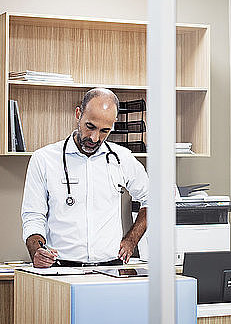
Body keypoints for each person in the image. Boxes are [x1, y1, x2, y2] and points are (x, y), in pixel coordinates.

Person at [21, 88, 148, 268]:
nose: (95, 138)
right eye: (90, 127)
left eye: (105, 130)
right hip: (60, 268)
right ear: (78, 114)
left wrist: (131, 240)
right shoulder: (44, 159)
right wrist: (37, 250)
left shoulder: (122, 158)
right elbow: (33, 215)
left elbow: (152, 200)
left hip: (110, 268)